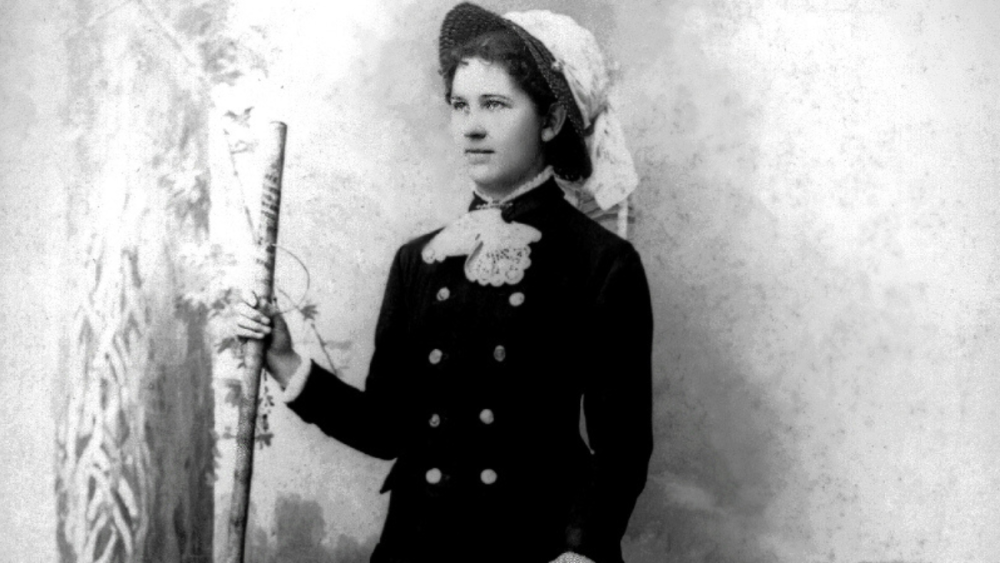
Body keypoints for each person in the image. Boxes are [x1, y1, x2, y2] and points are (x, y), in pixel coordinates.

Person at [235, 3, 653, 562]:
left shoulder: (601, 263)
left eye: (496, 105)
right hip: (417, 545)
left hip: (536, 548)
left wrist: (577, 551)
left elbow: (621, 452)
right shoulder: (420, 261)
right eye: (460, 105)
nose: (471, 127)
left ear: (551, 121)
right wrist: (285, 361)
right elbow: (386, 428)